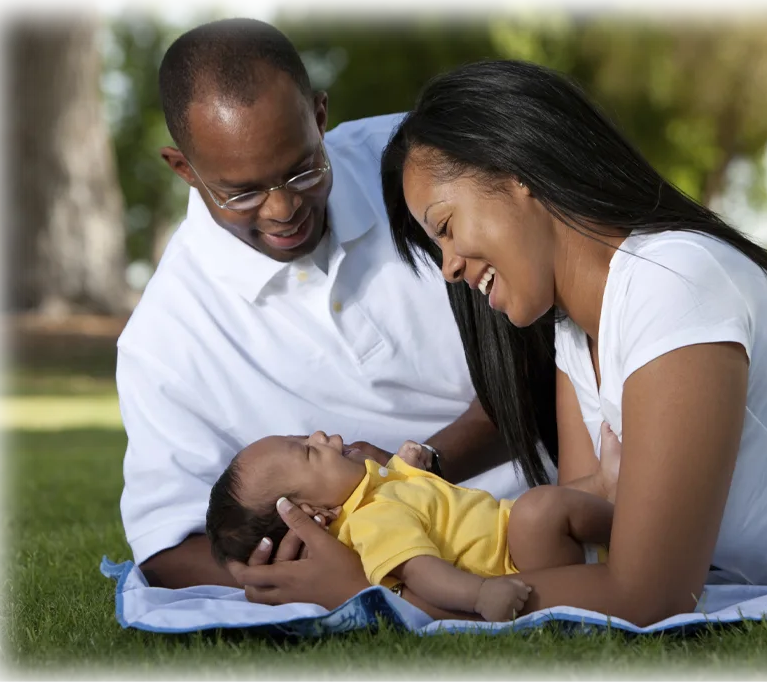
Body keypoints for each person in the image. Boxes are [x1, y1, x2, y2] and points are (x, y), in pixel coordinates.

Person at [228, 59, 767, 627]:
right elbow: (590, 523)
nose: (449, 267)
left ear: (517, 175)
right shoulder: (576, 334)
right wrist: (388, 540)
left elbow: (645, 593)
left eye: (446, 227)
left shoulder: (670, 280)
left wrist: (385, 595)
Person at [117, 20, 538, 592]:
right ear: (184, 170)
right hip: (408, 560)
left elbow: (546, 356)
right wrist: (354, 558)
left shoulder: (422, 168)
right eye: (242, 192)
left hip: (557, 504)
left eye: (302, 169)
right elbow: (166, 549)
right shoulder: (164, 341)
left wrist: (407, 476)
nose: (283, 208)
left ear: (320, 117)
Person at [205, 431, 614, 621]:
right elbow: (421, 571)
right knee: (539, 510)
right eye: (309, 453)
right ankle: (627, 522)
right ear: (310, 510)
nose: (321, 436)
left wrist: (409, 463)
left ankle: (610, 497)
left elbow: (413, 493)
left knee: (540, 508)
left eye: (304, 436)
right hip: (514, 566)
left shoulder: (376, 489)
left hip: (513, 540)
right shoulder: (372, 520)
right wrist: (481, 594)